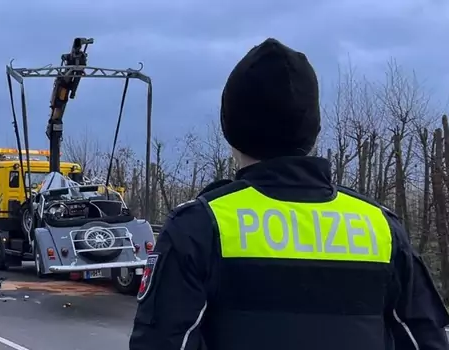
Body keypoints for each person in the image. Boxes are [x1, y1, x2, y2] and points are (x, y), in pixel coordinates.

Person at [129, 38, 449, 350]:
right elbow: (425, 339)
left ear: (232, 130)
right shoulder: (381, 229)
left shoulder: (199, 227)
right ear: (312, 130)